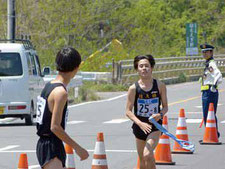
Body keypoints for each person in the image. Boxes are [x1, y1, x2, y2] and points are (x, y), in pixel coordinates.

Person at [36, 47, 89, 169]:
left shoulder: (49, 85)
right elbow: (55, 127)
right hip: (51, 144)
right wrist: (78, 148)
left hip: (48, 143)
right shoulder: (60, 92)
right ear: (76, 68)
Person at [126, 55, 168, 169]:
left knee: (147, 154)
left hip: (155, 126)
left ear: (152, 68)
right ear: (137, 69)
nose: (144, 68)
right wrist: (140, 123)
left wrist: (160, 115)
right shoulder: (133, 89)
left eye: (147, 66)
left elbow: (165, 107)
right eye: (141, 66)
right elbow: (128, 111)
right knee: (143, 161)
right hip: (139, 126)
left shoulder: (160, 85)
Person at [200, 43, 222, 138]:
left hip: (209, 92)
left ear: (211, 52)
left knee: (208, 114)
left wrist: (214, 86)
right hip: (207, 92)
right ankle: (213, 134)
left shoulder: (211, 64)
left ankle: (212, 135)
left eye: (206, 52)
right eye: (203, 52)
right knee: (209, 114)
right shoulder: (208, 63)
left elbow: (219, 76)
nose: (204, 54)